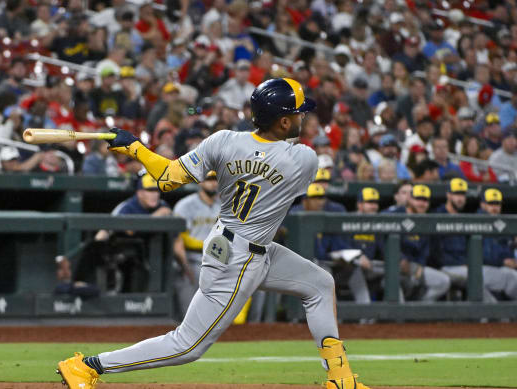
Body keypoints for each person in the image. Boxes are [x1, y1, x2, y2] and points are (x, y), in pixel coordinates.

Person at [57, 78, 371, 389]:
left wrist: (136, 148)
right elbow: (263, 166)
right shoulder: (304, 159)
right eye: (299, 113)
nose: (303, 118)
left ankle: (340, 379)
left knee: (319, 284)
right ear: (284, 120)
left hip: (234, 240)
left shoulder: (222, 141)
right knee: (187, 345)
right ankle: (87, 367)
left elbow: (167, 178)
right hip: (240, 258)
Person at [383, 185, 451, 302]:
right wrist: (400, 259)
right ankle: (399, 316)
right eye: (418, 199)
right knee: (391, 282)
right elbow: (383, 242)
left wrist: (420, 265)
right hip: (392, 267)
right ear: (410, 200)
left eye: (425, 200)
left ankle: (419, 311)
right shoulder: (395, 214)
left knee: (443, 281)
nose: (421, 203)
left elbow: (426, 250)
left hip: (415, 268)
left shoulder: (426, 220)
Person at [434, 178, 497, 302]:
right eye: (456, 194)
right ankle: (495, 313)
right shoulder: (437, 215)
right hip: (446, 266)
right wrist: (460, 263)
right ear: (448, 195)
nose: (460, 198)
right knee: (474, 277)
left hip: (466, 266)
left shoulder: (466, 217)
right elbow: (436, 254)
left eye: (462, 194)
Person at [172, 171, 220, 320]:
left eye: (216, 179)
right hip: (191, 257)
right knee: (189, 315)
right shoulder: (185, 205)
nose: (213, 183)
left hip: (218, 258)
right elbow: (176, 239)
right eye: (209, 179)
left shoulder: (224, 205)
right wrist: (185, 265)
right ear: (200, 182)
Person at [477, 188, 517, 300]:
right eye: (491, 204)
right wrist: (503, 261)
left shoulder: (501, 223)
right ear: (483, 205)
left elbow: (507, 248)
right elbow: (483, 254)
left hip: (499, 268)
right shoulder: (478, 221)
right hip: (481, 268)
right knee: (512, 277)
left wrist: (511, 259)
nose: (495, 208)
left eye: (497, 204)